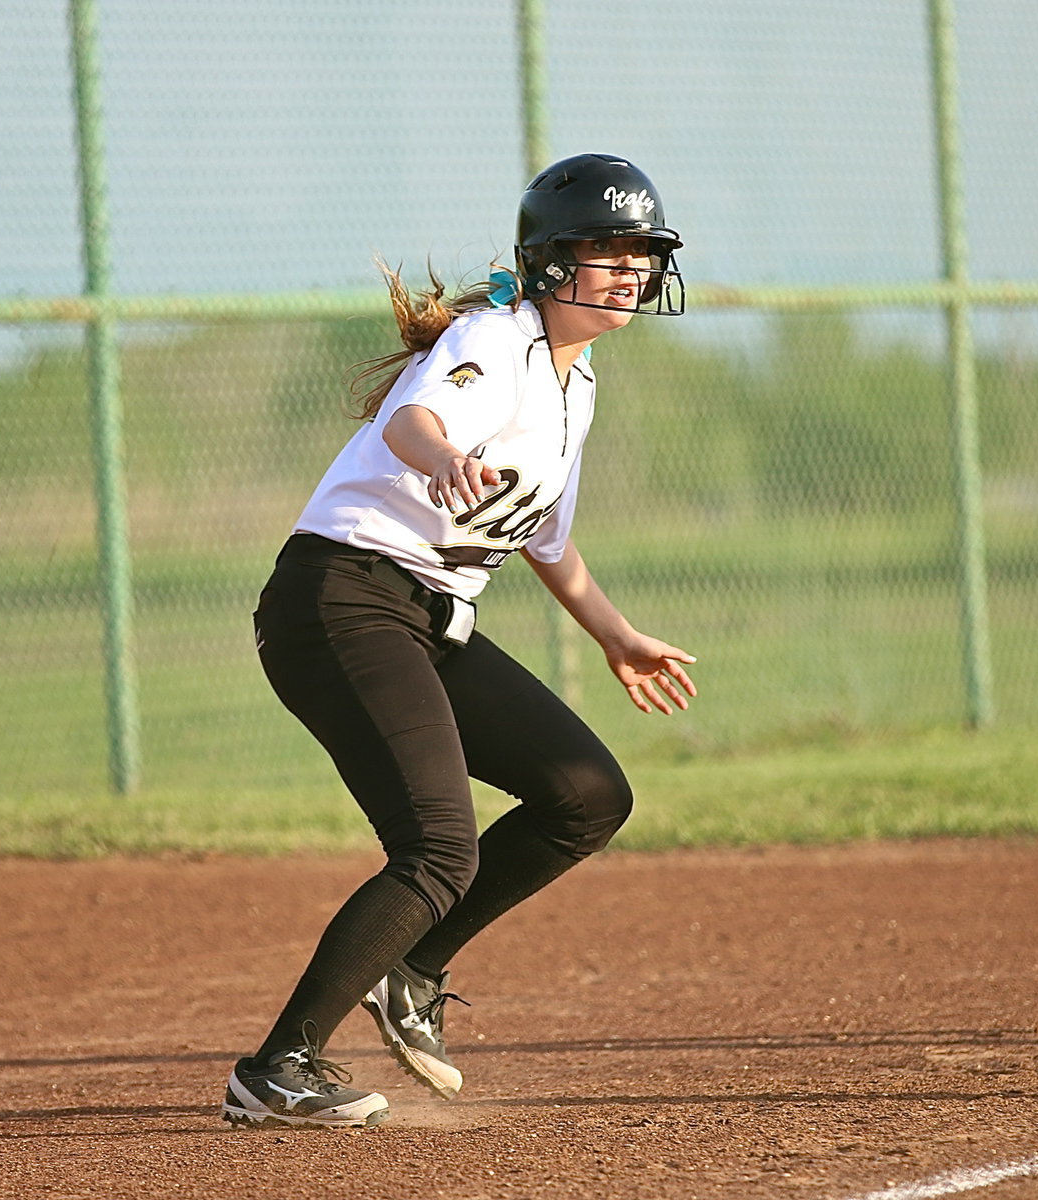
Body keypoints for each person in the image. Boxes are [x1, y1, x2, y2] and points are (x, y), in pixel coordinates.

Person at [221, 153, 697, 1130]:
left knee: (585, 793)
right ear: (547, 261)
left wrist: (614, 636)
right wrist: (443, 459)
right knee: (437, 848)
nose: (628, 269)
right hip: (340, 600)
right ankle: (277, 1068)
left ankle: (410, 971)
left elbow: (543, 538)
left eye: (641, 252)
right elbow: (413, 421)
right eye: (603, 250)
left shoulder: (578, 382)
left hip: (428, 615)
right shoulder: (498, 335)